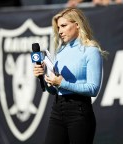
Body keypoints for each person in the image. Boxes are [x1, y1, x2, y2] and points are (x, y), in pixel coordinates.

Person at [33, 7, 108, 144]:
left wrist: (62, 83)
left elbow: (93, 89)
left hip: (79, 113)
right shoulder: (60, 51)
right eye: (58, 27)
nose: (60, 31)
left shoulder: (91, 51)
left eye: (63, 26)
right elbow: (54, 90)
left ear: (77, 24)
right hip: (57, 110)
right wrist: (47, 80)